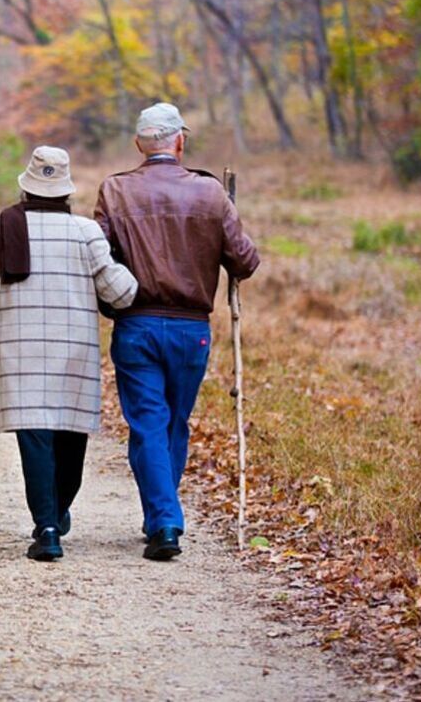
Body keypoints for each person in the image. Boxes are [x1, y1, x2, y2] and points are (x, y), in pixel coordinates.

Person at [95, 103, 260, 561]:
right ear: (180, 142)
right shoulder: (210, 193)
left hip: (136, 323)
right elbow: (245, 261)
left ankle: (162, 519)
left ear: (138, 145)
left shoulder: (115, 190)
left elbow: (97, 256)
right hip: (192, 330)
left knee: (148, 423)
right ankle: (164, 518)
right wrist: (224, 218)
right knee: (172, 422)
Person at [0, 146, 138, 561]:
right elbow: (122, 293)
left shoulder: (1, 228)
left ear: (25, 188)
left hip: (21, 355)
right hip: (74, 352)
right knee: (70, 437)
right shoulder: (86, 233)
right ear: (67, 193)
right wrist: (128, 268)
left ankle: (48, 528)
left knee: (35, 438)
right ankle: (57, 512)